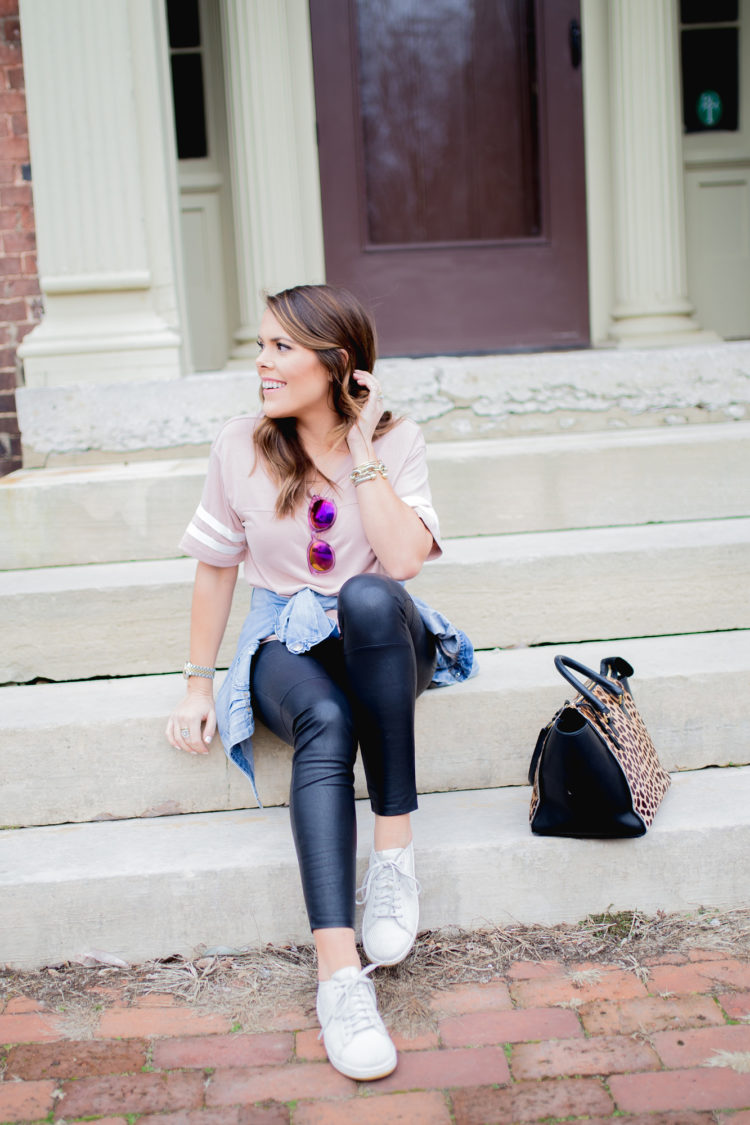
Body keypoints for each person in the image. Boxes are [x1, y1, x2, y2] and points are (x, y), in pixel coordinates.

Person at [166, 284, 475, 1081]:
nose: (261, 362)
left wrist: (364, 441)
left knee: (373, 593)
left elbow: (402, 561)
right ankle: (340, 976)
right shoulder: (240, 443)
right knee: (328, 724)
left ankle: (395, 854)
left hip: (377, 635)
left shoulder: (397, 440)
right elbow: (214, 573)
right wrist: (200, 684)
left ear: (337, 363)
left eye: (280, 348)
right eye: (261, 345)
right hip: (284, 637)